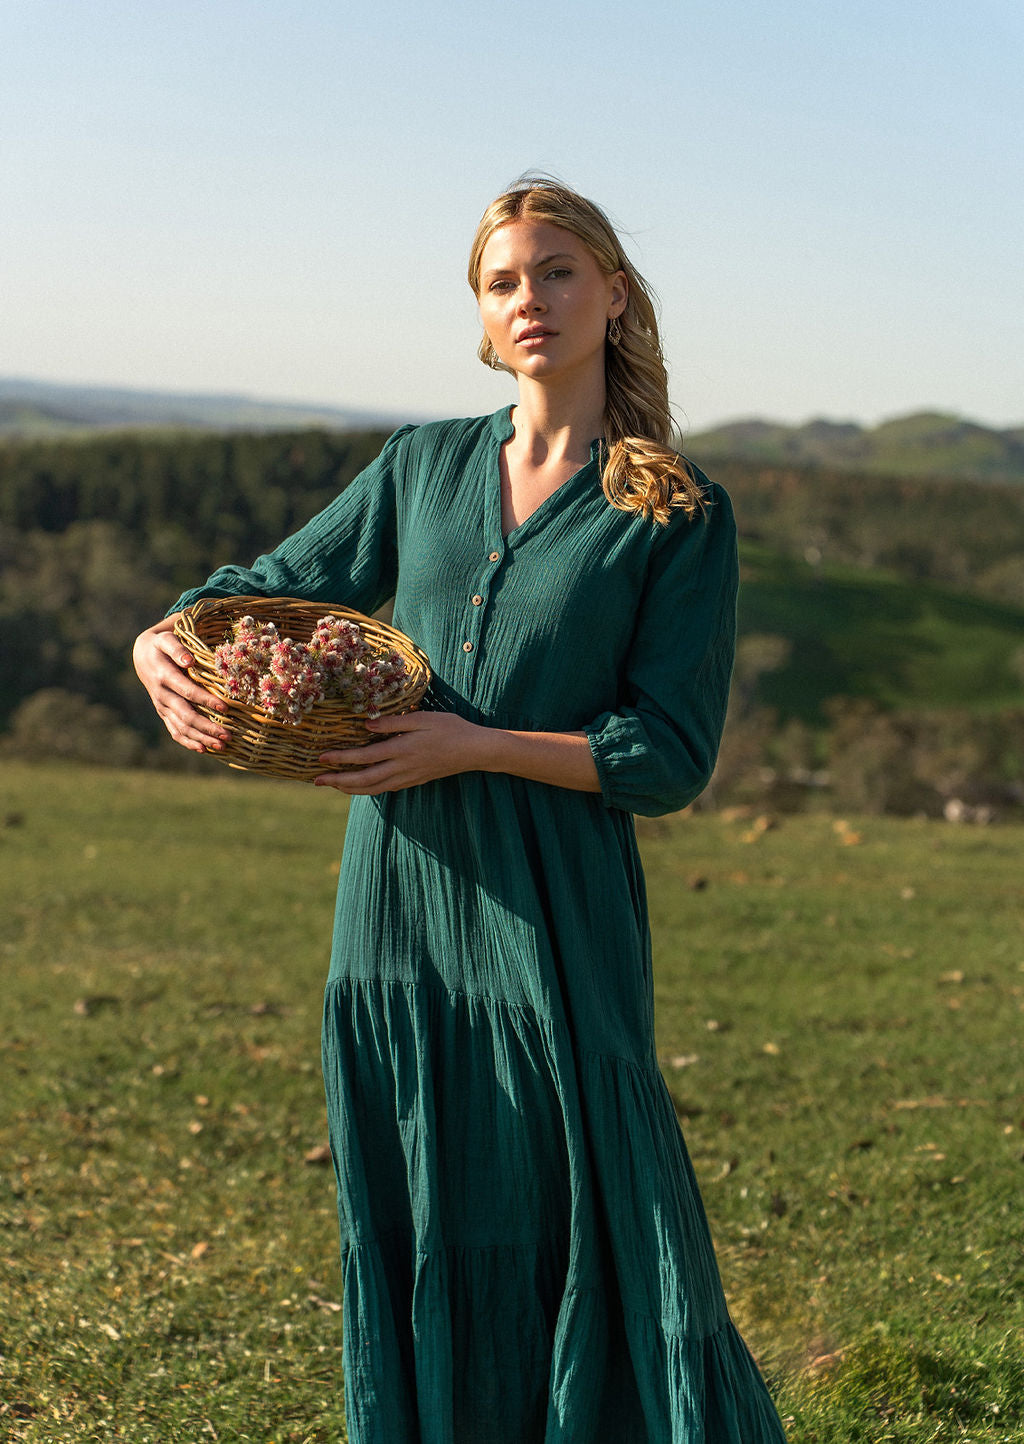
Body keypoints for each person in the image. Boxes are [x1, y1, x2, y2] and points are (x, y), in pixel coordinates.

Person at [133, 176, 787, 1443]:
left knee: (595, 1200)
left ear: (613, 292)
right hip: (397, 901)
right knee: (427, 1201)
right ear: (482, 319)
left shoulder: (673, 510)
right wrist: (161, 638)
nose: (529, 300)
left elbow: (665, 755)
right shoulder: (421, 464)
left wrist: (475, 745)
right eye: (503, 282)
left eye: (554, 271)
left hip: (554, 909)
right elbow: (259, 591)